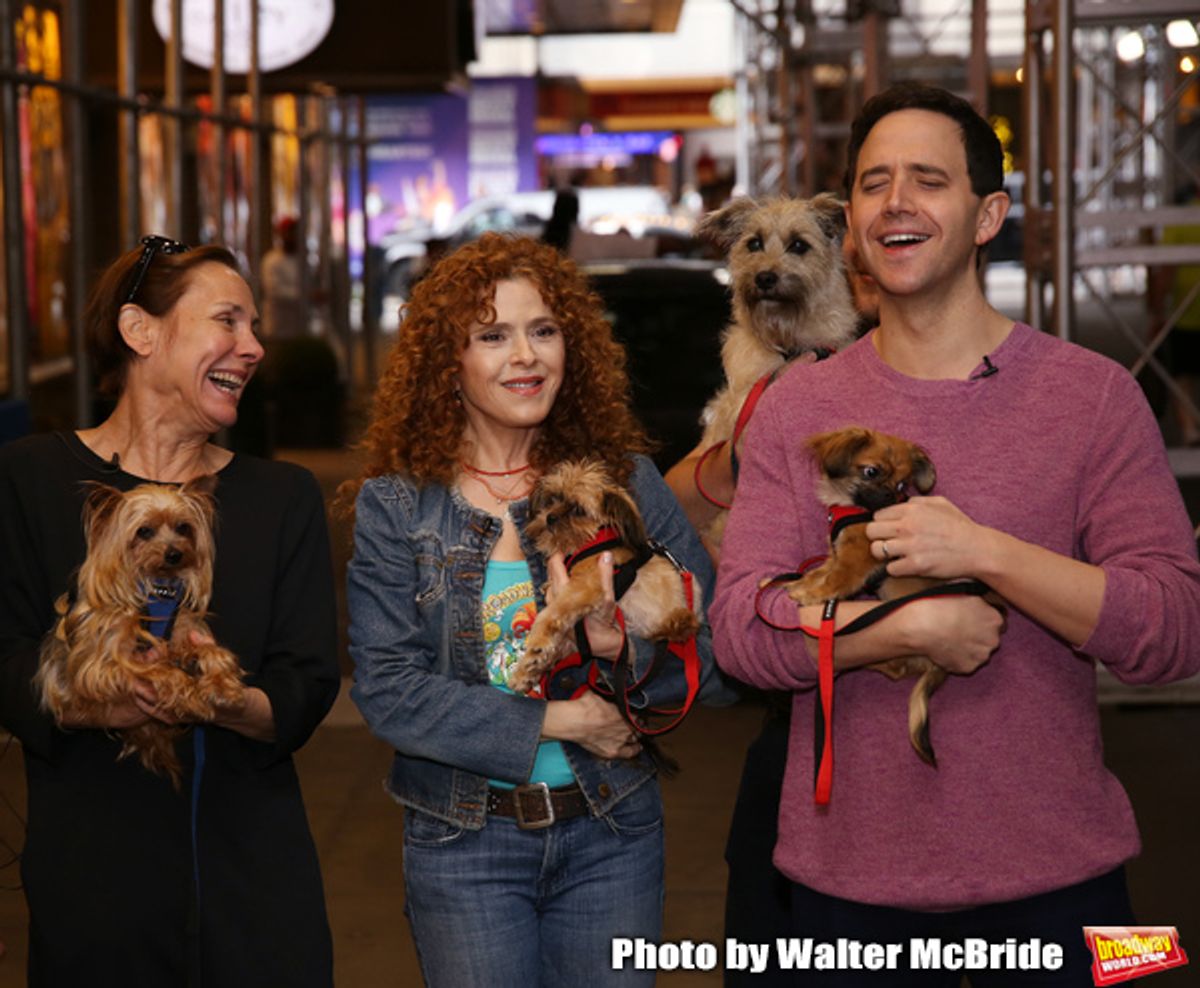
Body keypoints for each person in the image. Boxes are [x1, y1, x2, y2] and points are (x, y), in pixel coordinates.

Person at [710, 83, 1200, 985]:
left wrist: (986, 553)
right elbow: (741, 632)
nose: (896, 201)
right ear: (852, 224)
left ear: (987, 215)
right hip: (842, 895)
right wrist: (892, 633)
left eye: (928, 180)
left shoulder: (1091, 397)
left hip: (1065, 888)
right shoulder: (799, 412)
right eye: (873, 183)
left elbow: (1171, 631)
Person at [343, 232, 730, 987]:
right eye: (493, 336)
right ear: (446, 362)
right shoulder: (397, 506)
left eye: (543, 330)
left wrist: (625, 657)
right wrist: (558, 720)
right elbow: (388, 690)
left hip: (612, 831)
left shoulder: (626, 485)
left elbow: (717, 662)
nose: (526, 355)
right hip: (463, 846)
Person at [0, 235, 339, 987]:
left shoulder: (281, 498)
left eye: (254, 328)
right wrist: (100, 703)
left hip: (253, 884)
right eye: (228, 321)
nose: (251, 347)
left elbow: (306, 686)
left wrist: (214, 697)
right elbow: (5, 661)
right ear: (139, 331)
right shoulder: (28, 479)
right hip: (93, 890)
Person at [260, 215, 305, 339]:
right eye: (289, 232)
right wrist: (306, 295)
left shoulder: (303, 260)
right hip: (277, 327)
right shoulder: (271, 260)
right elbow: (275, 292)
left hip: (299, 327)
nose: (292, 236)